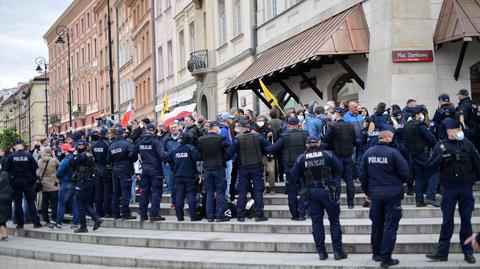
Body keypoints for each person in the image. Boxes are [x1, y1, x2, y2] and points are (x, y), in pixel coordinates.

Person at [426, 118, 480, 264]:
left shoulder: (468, 144)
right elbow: (429, 167)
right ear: (449, 131)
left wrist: (474, 180)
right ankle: (442, 252)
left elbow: (477, 163)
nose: (460, 132)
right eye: (457, 129)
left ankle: (468, 252)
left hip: (465, 188)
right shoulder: (440, 146)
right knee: (447, 221)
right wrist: (440, 159)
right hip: (449, 188)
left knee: (466, 221)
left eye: (460, 129)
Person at [290, 136, 347, 261]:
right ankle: (338, 251)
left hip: (312, 192)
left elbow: (293, 175)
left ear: (306, 145)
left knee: (316, 222)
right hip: (328, 191)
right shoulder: (328, 155)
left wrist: (303, 184)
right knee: (334, 221)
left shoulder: (301, 158)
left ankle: (321, 252)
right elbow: (339, 169)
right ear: (319, 143)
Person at [360, 131, 410, 268]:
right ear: (387, 138)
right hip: (393, 195)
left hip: (375, 195)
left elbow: (362, 175)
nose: (393, 139)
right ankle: (386, 258)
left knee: (377, 225)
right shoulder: (394, 153)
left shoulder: (368, 153)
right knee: (390, 226)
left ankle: (376, 253)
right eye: (391, 137)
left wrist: (367, 192)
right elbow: (406, 174)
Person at [228, 120, 271, 222]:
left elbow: (229, 153)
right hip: (256, 168)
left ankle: (240, 215)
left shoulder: (237, 139)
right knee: (258, 191)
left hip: (243, 168)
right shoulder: (258, 137)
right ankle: (259, 215)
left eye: (239, 127)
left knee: (242, 191)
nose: (238, 129)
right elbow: (268, 145)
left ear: (243, 128)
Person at [267, 117, 308, 220]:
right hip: (303, 168)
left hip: (290, 169)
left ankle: (294, 215)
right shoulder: (305, 134)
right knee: (303, 191)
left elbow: (274, 148)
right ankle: (302, 214)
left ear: (289, 126)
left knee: (291, 193)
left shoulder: (284, 136)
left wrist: (263, 146)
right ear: (299, 125)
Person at [130, 123, 166, 222]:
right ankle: (154, 214)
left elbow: (132, 155)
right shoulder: (156, 141)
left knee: (144, 192)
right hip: (155, 170)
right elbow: (162, 155)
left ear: (146, 130)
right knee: (156, 192)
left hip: (144, 170)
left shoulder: (140, 142)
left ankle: (143, 215)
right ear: (154, 130)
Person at [322, 107, 358, 208]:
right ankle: (350, 203)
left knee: (337, 178)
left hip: (336, 156)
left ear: (337, 114)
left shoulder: (333, 126)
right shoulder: (351, 126)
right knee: (349, 180)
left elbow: (326, 141)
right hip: (348, 156)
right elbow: (355, 141)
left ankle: (336, 200)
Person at [196, 121, 230, 222]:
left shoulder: (201, 140)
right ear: (214, 127)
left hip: (207, 168)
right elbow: (227, 152)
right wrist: (224, 159)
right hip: (219, 168)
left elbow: (199, 154)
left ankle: (210, 216)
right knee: (220, 192)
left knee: (209, 192)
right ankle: (220, 216)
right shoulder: (220, 138)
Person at [404, 107, 438, 207]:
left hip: (413, 155)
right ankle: (430, 197)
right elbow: (430, 138)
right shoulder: (420, 125)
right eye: (420, 114)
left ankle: (419, 200)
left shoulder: (407, 125)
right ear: (417, 115)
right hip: (423, 154)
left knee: (419, 177)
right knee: (434, 172)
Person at [5, 142, 42, 229]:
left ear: (16, 147)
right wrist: (35, 179)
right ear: (22, 147)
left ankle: (20, 223)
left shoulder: (11, 156)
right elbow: (36, 168)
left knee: (18, 203)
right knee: (30, 202)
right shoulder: (28, 155)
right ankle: (36, 222)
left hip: (15, 182)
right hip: (27, 181)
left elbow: (6, 170)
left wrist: (10, 179)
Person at [71, 140, 102, 233]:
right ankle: (96, 219)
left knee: (80, 204)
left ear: (84, 146)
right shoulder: (90, 155)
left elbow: (72, 163)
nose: (79, 147)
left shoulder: (82, 155)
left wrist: (74, 154)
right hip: (90, 181)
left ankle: (83, 226)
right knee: (85, 204)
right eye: (79, 145)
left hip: (83, 181)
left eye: (81, 145)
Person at [168, 132, 200, 221]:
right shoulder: (191, 149)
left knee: (179, 196)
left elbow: (169, 160)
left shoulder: (175, 151)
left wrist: (174, 169)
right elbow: (198, 157)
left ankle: (180, 217)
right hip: (190, 176)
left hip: (178, 176)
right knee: (191, 196)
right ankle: (193, 216)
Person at [107, 127, 138, 220]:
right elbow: (132, 157)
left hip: (115, 170)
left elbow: (108, 159)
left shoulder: (111, 146)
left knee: (116, 193)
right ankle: (125, 213)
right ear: (123, 134)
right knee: (125, 193)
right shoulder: (127, 144)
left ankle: (116, 214)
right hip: (125, 170)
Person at [53, 143, 79, 229]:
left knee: (61, 204)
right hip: (74, 183)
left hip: (66, 182)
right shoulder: (75, 158)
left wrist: (58, 176)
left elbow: (59, 173)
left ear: (64, 150)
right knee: (74, 204)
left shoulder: (65, 160)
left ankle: (58, 223)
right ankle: (75, 223)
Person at [92, 128, 112, 218]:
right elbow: (109, 157)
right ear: (105, 134)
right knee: (107, 191)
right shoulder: (107, 144)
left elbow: (94, 157)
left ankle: (98, 212)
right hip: (105, 168)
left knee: (98, 192)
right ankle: (107, 212)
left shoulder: (95, 144)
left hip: (97, 169)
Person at [38, 147, 60, 225]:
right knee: (54, 202)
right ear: (51, 152)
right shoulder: (53, 160)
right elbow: (59, 165)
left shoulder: (39, 161)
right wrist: (54, 156)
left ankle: (45, 219)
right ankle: (53, 218)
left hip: (44, 184)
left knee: (45, 203)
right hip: (53, 184)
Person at [0, 148, 12, 241]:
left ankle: (4, 235)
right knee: (3, 216)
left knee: (1, 218)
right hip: (7, 197)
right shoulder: (5, 174)